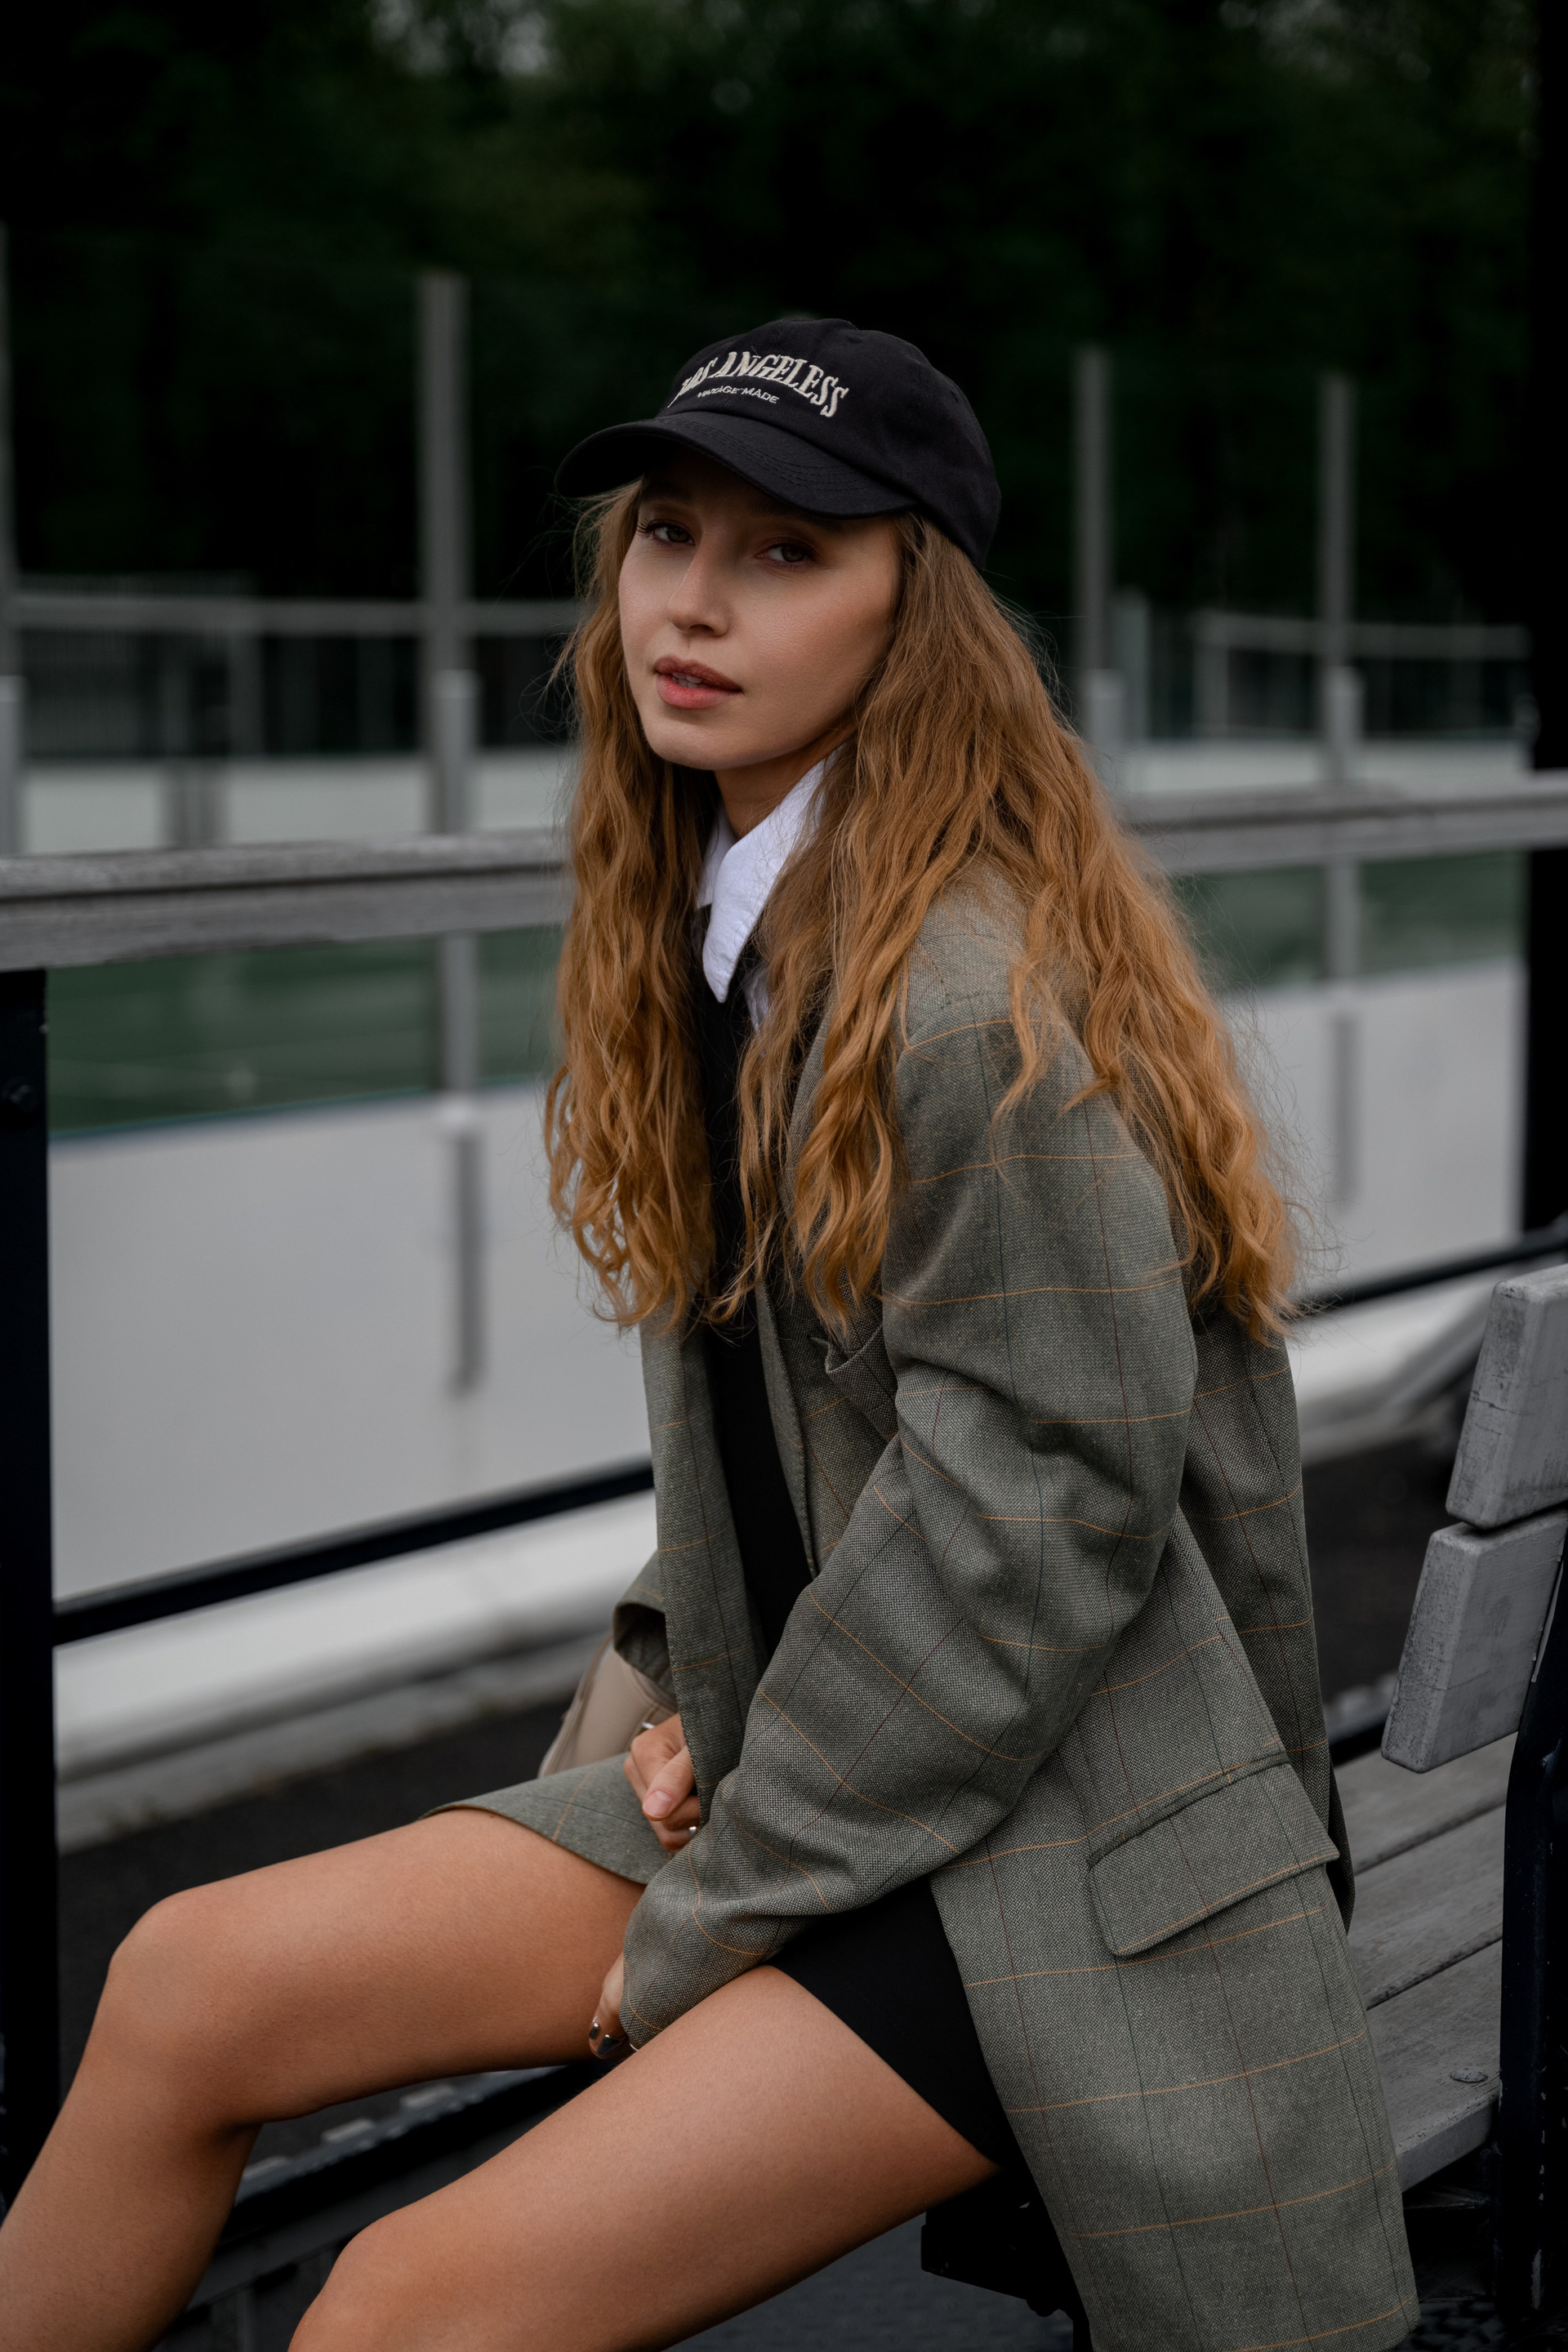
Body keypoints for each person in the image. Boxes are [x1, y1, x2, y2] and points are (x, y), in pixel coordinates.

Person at [0, 319, 1416, 2352]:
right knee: (185, 1985)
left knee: (402, 2306)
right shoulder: (740, 929)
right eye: (669, 534)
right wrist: (706, 1674)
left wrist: (719, 1907)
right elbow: (826, 1457)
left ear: (914, 608)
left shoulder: (966, 1002)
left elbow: (1031, 1533)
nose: (694, 601)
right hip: (846, 1777)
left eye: (785, 552)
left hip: (1068, 1859)